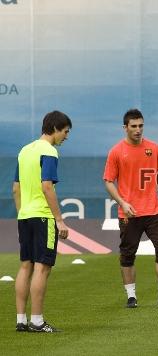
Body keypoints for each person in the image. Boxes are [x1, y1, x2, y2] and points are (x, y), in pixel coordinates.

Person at [103, 109, 158, 309]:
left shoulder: (154, 148)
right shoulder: (117, 151)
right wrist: (122, 202)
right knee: (127, 255)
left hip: (153, 211)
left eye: (141, 126)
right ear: (125, 127)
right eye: (133, 126)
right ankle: (131, 297)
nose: (138, 130)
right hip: (129, 213)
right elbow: (109, 181)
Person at [13, 111, 72, 332]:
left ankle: (21, 320)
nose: (66, 136)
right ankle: (37, 321)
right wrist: (59, 220)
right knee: (42, 268)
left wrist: (22, 212)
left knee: (25, 266)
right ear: (56, 128)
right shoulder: (49, 151)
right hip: (43, 216)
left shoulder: (24, 151)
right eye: (65, 131)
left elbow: (15, 188)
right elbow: (47, 185)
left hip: (25, 215)